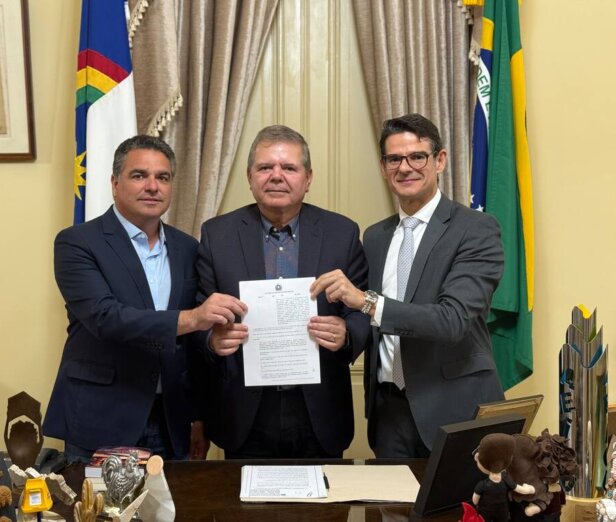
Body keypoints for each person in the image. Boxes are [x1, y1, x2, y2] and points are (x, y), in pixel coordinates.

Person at [311, 113, 505, 458]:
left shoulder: (476, 229)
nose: (405, 168)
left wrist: (367, 302)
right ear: (383, 167)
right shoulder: (375, 237)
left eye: (417, 156)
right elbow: (368, 324)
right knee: (390, 495)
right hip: (389, 412)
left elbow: (453, 320)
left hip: (453, 407)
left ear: (440, 160)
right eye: (394, 159)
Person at [43, 135, 246, 463]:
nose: (152, 186)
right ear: (114, 183)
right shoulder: (77, 243)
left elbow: (190, 344)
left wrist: (200, 415)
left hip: (171, 421)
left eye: (162, 177)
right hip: (102, 418)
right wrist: (194, 318)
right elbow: (106, 318)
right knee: (96, 500)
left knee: (174, 499)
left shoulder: (188, 248)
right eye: (139, 176)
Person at [196, 124, 370, 459]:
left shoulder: (342, 233)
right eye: (265, 167)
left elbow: (361, 310)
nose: (276, 176)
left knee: (324, 495)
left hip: (319, 410)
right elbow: (197, 313)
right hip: (245, 412)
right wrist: (210, 341)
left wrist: (347, 333)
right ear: (250, 177)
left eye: (289, 168)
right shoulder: (217, 235)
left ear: (308, 178)